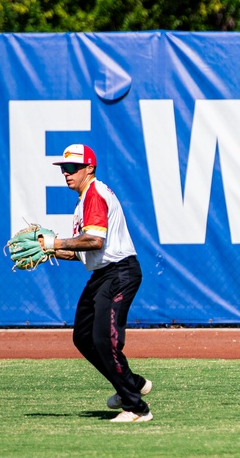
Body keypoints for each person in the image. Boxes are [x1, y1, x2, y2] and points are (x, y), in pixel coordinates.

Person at [40, 143, 153, 423]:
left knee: (104, 339)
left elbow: (95, 240)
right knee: (83, 337)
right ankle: (131, 383)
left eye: (72, 168)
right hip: (103, 274)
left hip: (119, 273)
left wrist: (56, 241)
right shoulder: (84, 201)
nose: (66, 174)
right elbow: (83, 251)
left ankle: (136, 408)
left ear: (89, 168)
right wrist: (50, 250)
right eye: (64, 169)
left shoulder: (94, 194)